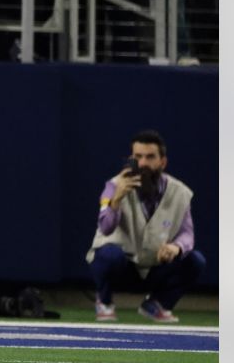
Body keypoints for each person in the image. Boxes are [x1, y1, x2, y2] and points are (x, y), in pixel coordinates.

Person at [87, 130, 206, 323]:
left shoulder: (180, 192)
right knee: (108, 254)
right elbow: (106, 228)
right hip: (123, 267)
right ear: (131, 159)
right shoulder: (112, 186)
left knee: (195, 260)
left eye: (150, 157)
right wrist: (116, 200)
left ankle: (158, 304)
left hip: (155, 266)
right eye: (138, 157)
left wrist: (175, 247)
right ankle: (105, 301)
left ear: (162, 162)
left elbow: (187, 234)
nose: (143, 163)